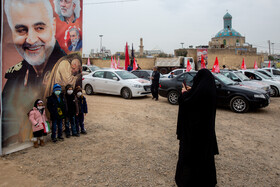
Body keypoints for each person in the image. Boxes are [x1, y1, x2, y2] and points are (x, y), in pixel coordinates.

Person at [2, 0, 66, 147]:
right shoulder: (14, 79)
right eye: (21, 30)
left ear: (53, 26)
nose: (31, 40)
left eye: (39, 28)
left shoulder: (66, 69)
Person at [175, 69, 219, 187]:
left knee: (191, 161)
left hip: (193, 136)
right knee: (205, 160)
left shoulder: (198, 94)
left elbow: (187, 102)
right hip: (206, 134)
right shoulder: (209, 90)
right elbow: (197, 96)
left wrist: (184, 92)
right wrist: (191, 90)